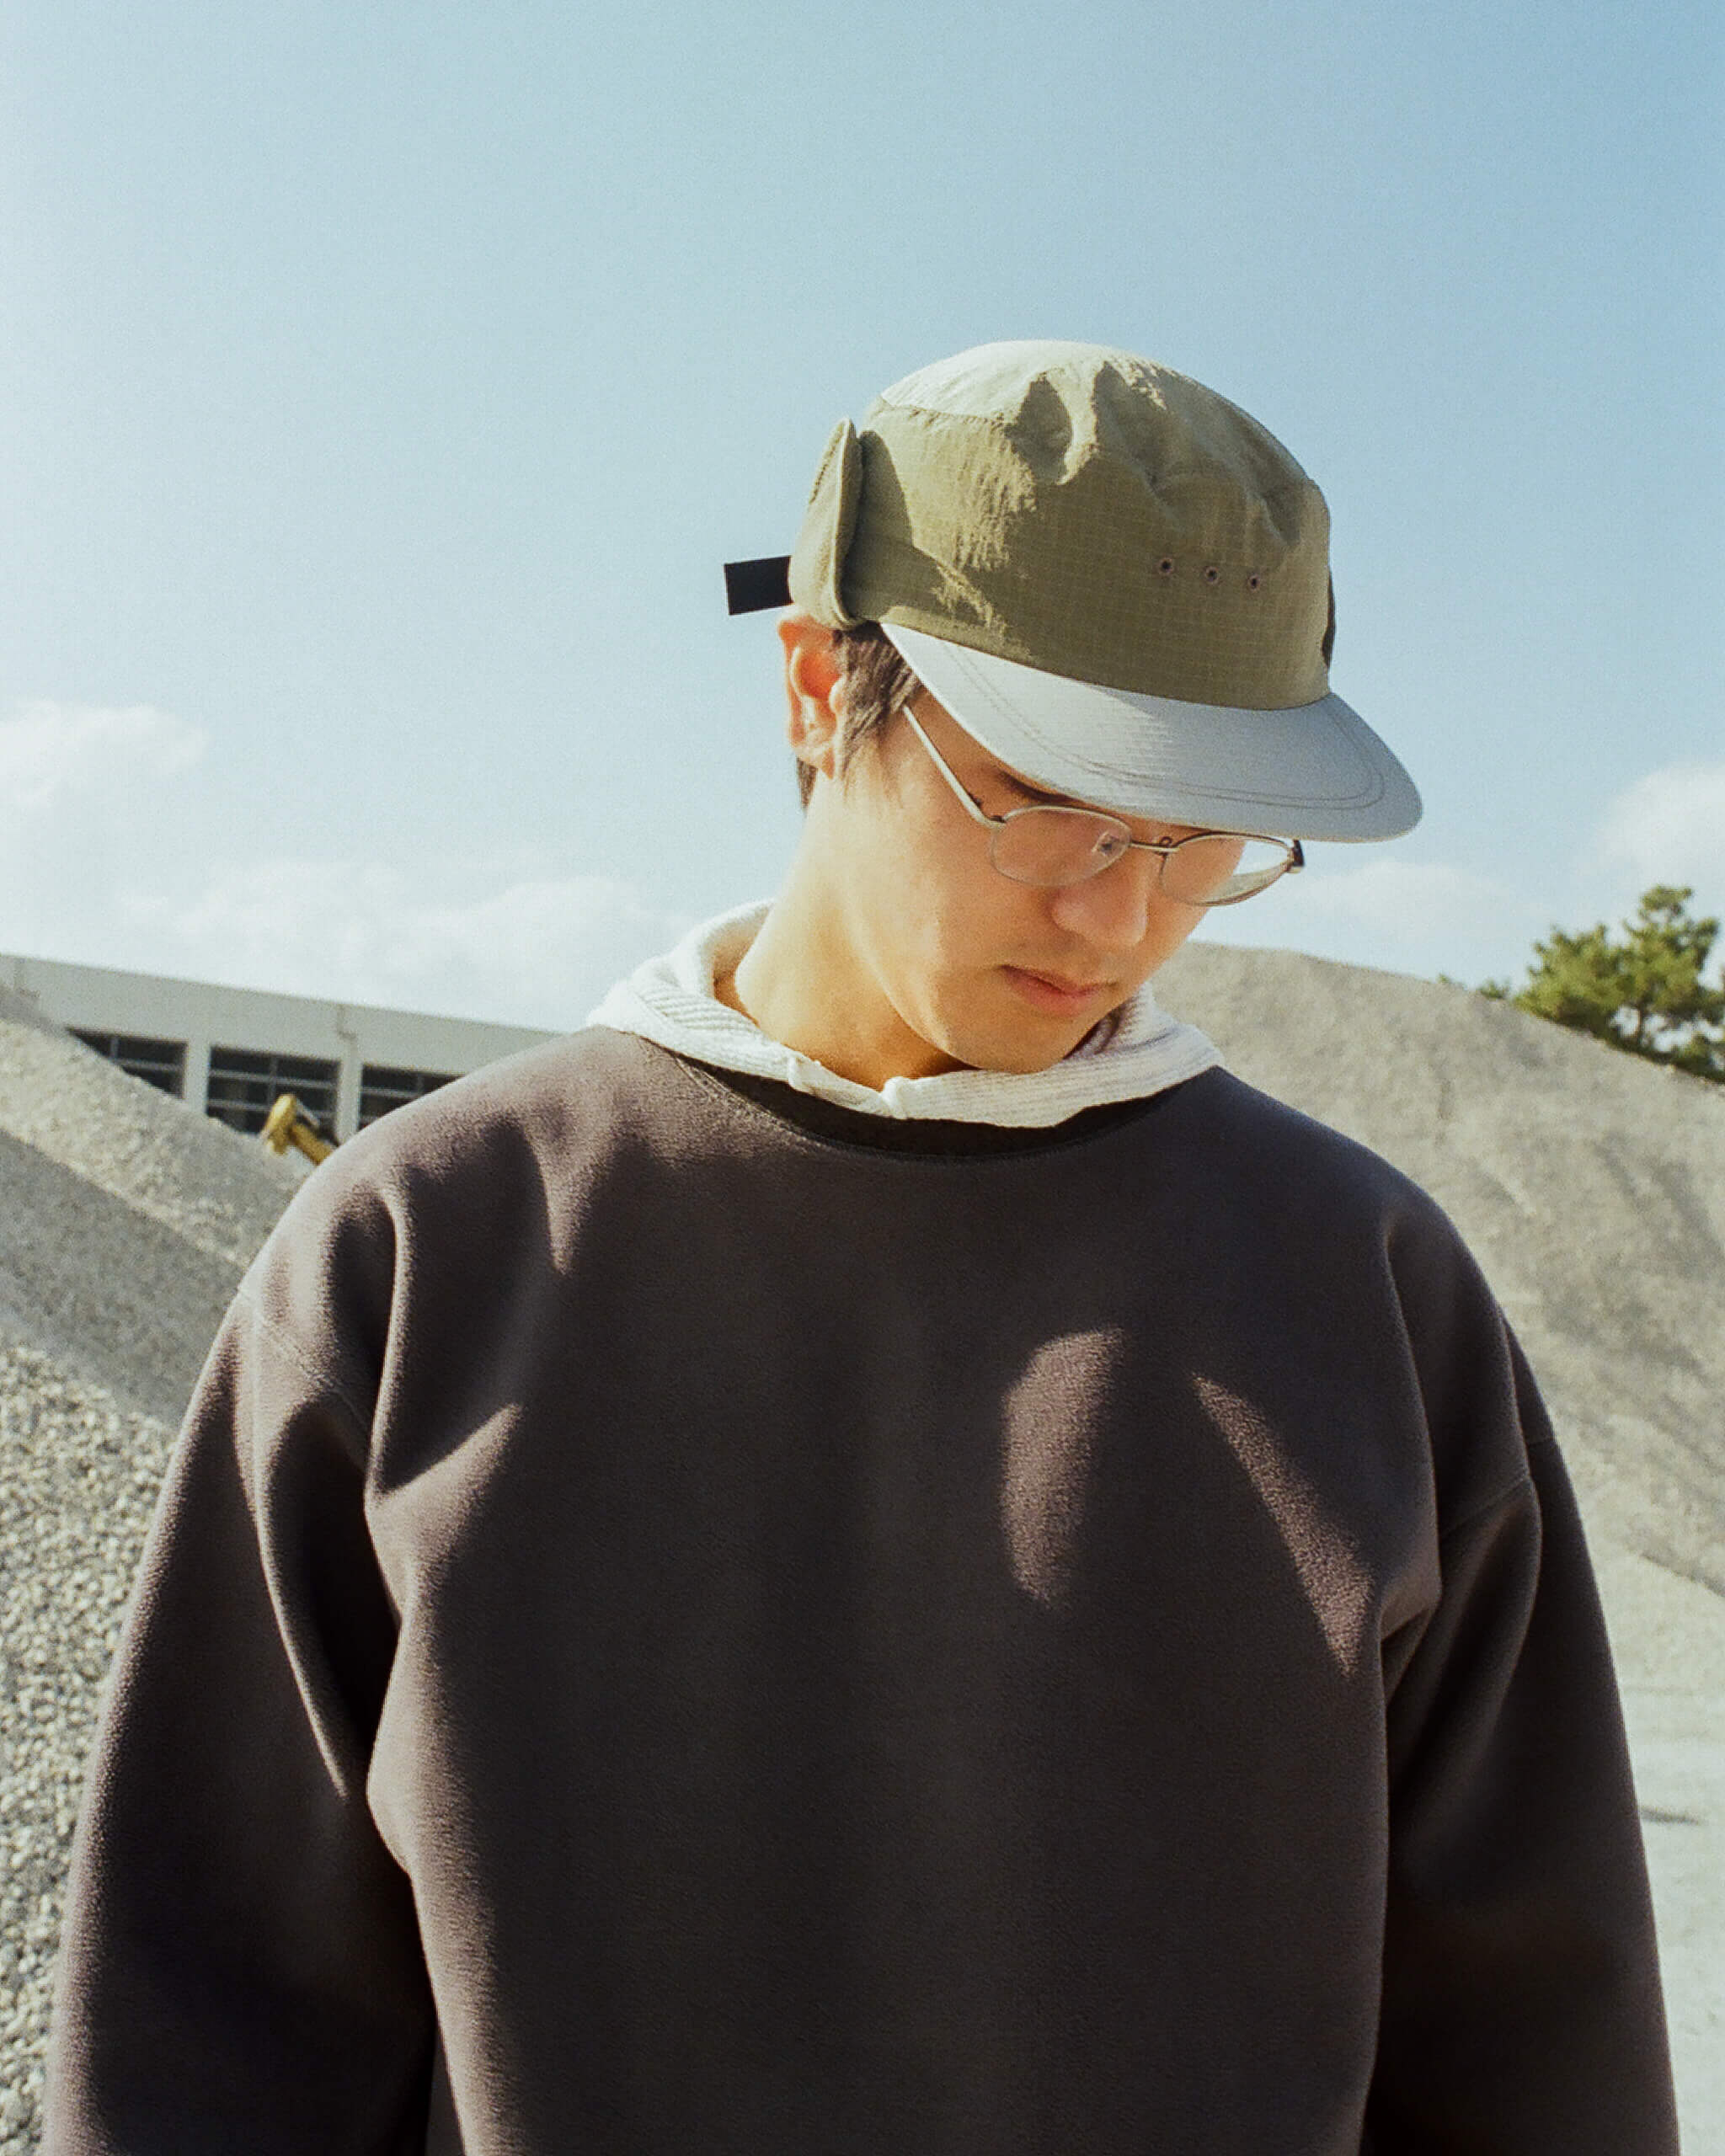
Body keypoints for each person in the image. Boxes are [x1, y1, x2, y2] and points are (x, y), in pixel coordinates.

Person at [45, 341, 1678, 2153]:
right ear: (820, 686)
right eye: (1046, 801)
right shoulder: (426, 1253)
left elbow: (1536, 2055)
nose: (1120, 914)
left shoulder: (1366, 1294)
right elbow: (203, 2030)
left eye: (1199, 836)